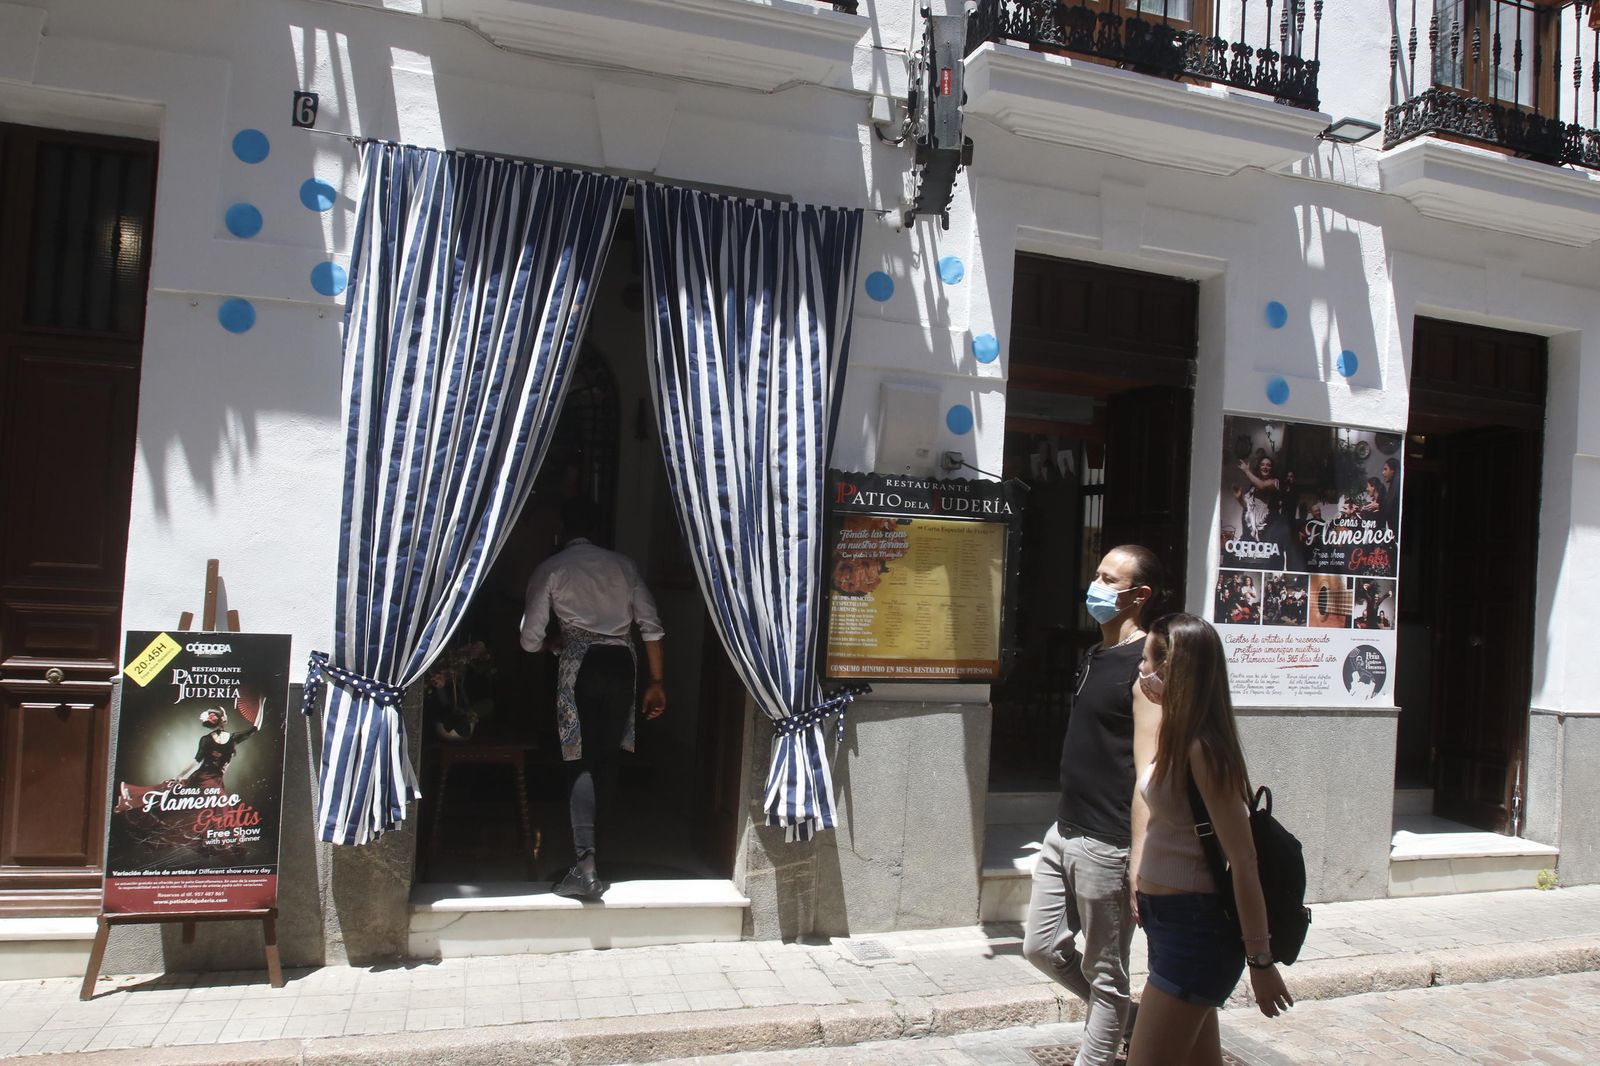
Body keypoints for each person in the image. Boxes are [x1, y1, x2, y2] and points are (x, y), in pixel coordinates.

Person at [1127, 614, 1294, 1065]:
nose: (1142, 670)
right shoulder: (1174, 733)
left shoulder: (1203, 748)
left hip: (1195, 932)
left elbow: (1244, 860)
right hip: (1167, 925)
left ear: (1176, 668)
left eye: (1149, 661)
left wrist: (1260, 961)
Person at [1022, 545, 1165, 1066]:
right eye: (1097, 575)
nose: (1097, 587)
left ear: (1139, 595)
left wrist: (1139, 857)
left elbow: (1149, 770)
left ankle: (1102, 1050)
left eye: (1110, 579)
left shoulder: (1149, 663)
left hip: (1108, 842)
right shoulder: (1096, 654)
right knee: (1040, 947)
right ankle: (1133, 1023)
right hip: (1064, 830)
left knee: (1106, 975)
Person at [520, 496, 667, 901]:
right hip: (624, 663)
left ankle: (585, 868)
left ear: (561, 531)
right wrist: (656, 681)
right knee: (607, 757)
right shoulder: (623, 565)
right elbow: (651, 628)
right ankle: (600, 851)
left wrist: (555, 643)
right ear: (598, 531)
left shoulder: (551, 568)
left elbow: (529, 639)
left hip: (581, 665)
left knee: (578, 760)